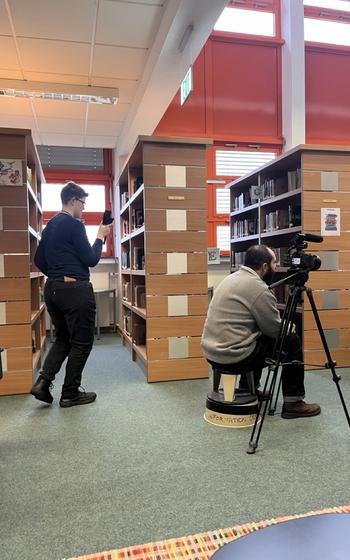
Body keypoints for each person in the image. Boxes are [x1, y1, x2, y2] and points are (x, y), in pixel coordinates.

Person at [201, 244, 321, 419]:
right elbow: (275, 330)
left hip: (212, 351)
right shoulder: (257, 288)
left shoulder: (231, 278)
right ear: (264, 266)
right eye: (274, 263)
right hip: (234, 355)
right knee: (291, 339)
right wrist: (291, 327)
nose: (275, 267)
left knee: (255, 333)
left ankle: (248, 388)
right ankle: (293, 403)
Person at [30, 181, 112, 408]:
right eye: (83, 204)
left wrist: (57, 275)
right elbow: (91, 259)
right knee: (82, 343)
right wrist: (100, 237)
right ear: (74, 200)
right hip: (75, 291)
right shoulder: (74, 225)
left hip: (53, 290)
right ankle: (70, 393)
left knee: (64, 338)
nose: (83, 208)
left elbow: (38, 260)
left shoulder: (51, 225)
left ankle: (43, 384)